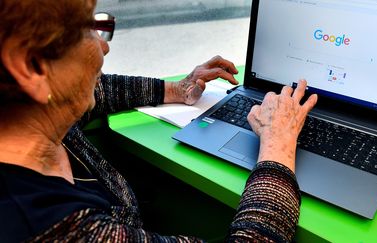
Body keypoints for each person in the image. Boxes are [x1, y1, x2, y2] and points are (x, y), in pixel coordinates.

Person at [0, 0, 318, 242]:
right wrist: (278, 145)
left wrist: (178, 89)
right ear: (31, 65)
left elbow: (97, 88)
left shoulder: (24, 112)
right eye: (87, 29)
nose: (104, 46)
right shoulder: (51, 225)